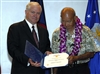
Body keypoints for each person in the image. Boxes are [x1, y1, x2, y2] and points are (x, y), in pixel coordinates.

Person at [7, 2, 52, 74]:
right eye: (33, 12)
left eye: (38, 13)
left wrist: (48, 52)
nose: (35, 15)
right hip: (22, 71)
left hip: (40, 71)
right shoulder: (15, 28)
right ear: (26, 12)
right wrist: (28, 60)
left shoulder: (44, 31)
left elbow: (47, 47)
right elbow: (12, 49)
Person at [52, 7, 98, 74]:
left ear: (75, 18)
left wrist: (76, 58)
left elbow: (91, 53)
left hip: (81, 69)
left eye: (68, 21)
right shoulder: (56, 33)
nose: (66, 24)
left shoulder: (85, 31)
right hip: (63, 70)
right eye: (63, 21)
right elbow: (55, 57)